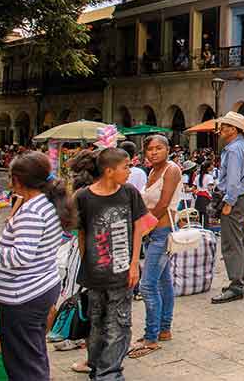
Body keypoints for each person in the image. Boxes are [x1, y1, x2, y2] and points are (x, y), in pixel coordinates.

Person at [0, 152, 75, 381]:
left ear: (18, 180)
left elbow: (21, 255)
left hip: (24, 295)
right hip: (40, 287)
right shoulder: (45, 203)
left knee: (22, 362)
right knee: (33, 353)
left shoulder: (33, 211)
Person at [72, 147, 148, 380]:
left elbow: (139, 228)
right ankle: (98, 369)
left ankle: (109, 373)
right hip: (95, 274)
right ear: (108, 170)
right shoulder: (83, 197)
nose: (129, 171)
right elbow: (81, 233)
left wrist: (134, 263)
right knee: (97, 323)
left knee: (119, 324)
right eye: (125, 167)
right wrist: (86, 263)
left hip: (123, 272)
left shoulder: (129, 192)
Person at [129, 135, 183, 359]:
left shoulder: (172, 170)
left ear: (168, 149)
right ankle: (164, 329)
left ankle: (151, 336)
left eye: (158, 148)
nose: (154, 152)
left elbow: (162, 203)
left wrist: (144, 228)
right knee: (163, 281)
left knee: (148, 285)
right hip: (153, 232)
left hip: (160, 232)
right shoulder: (152, 172)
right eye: (150, 149)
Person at [211, 112, 244, 304]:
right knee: (240, 240)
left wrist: (228, 202)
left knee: (231, 243)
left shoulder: (232, 150)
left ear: (233, 129)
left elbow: (232, 181)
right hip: (243, 198)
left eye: (224, 126)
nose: (220, 130)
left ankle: (236, 284)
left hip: (234, 198)